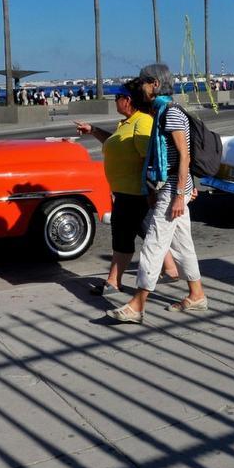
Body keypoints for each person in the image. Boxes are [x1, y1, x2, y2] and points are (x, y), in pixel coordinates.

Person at [106, 63, 207, 324]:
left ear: (155, 84)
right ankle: (197, 295)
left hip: (173, 190)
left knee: (153, 244)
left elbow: (183, 155)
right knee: (183, 245)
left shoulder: (170, 112)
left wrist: (178, 195)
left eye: (143, 82)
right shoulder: (161, 110)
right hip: (170, 188)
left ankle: (137, 305)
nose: (140, 86)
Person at [76, 81, 181, 297]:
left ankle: (114, 282)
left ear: (128, 100)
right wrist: (93, 130)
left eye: (117, 98)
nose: (115, 101)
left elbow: (151, 159)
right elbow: (116, 142)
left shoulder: (142, 122)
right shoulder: (126, 123)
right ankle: (169, 269)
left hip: (136, 193)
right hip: (125, 193)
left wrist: (152, 192)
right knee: (146, 234)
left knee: (125, 239)